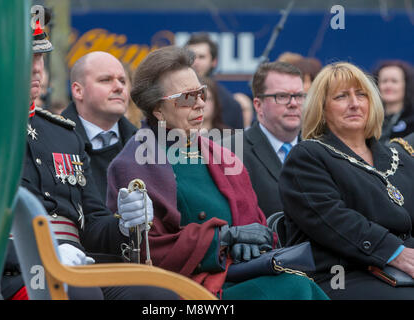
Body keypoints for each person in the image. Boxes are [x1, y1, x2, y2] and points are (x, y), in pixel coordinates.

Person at [105, 45, 329, 300]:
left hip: (242, 270)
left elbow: (255, 221)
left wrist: (252, 239)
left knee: (301, 284)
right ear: (158, 109)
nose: (201, 103)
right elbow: (149, 251)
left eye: (201, 93)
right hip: (192, 288)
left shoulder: (221, 153)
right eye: (188, 97)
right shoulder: (134, 163)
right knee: (296, 289)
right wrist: (224, 239)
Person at [1, 10, 177, 301]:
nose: (36, 68)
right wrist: (43, 251)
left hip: (78, 266)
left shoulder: (64, 135)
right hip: (14, 272)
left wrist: (124, 223)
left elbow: (92, 225)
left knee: (160, 295)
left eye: (40, 57)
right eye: (26, 57)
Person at [278, 62, 414, 299]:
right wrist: (394, 252)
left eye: (361, 94)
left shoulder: (399, 156)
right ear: (322, 109)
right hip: (342, 276)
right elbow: (332, 218)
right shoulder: (308, 156)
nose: (354, 103)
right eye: (341, 96)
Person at [62, 51, 138, 201]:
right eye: (106, 80)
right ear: (78, 91)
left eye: (122, 81)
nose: (119, 87)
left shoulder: (144, 143)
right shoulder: (52, 141)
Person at [241, 61, 305, 218]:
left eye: (299, 96)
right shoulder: (231, 152)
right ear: (258, 105)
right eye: (282, 96)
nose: (293, 104)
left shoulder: (320, 147)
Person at [185, 33, 244, 130]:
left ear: (214, 61)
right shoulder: (173, 96)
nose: (195, 62)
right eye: (191, 57)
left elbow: (237, 142)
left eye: (201, 57)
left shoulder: (230, 104)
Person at [373, 60, 414, 144]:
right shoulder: (370, 117)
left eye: (394, 81)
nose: (388, 86)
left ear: (406, 85)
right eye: (384, 81)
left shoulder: (412, 119)